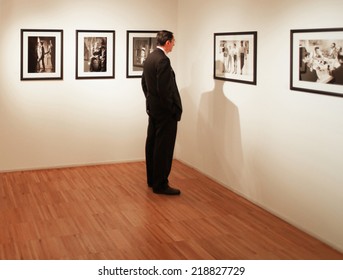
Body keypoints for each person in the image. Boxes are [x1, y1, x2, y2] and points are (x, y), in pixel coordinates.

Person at [141, 30, 183, 195]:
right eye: (173, 41)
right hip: (165, 113)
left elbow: (144, 83)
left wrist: (150, 101)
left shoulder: (150, 58)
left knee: (152, 143)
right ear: (167, 42)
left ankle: (152, 179)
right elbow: (165, 90)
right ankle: (160, 184)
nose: (174, 45)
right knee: (163, 147)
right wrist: (171, 109)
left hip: (153, 109)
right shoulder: (163, 60)